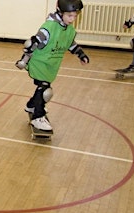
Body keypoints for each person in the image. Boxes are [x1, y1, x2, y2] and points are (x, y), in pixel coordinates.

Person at [15, 0, 89, 131]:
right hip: (39, 62)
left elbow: (70, 44)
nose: (72, 19)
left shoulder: (68, 29)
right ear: (60, 12)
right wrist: (24, 61)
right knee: (45, 90)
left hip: (51, 65)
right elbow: (31, 44)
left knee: (43, 88)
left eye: (75, 16)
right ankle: (38, 117)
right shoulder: (49, 27)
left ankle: (31, 105)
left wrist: (81, 54)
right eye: (69, 16)